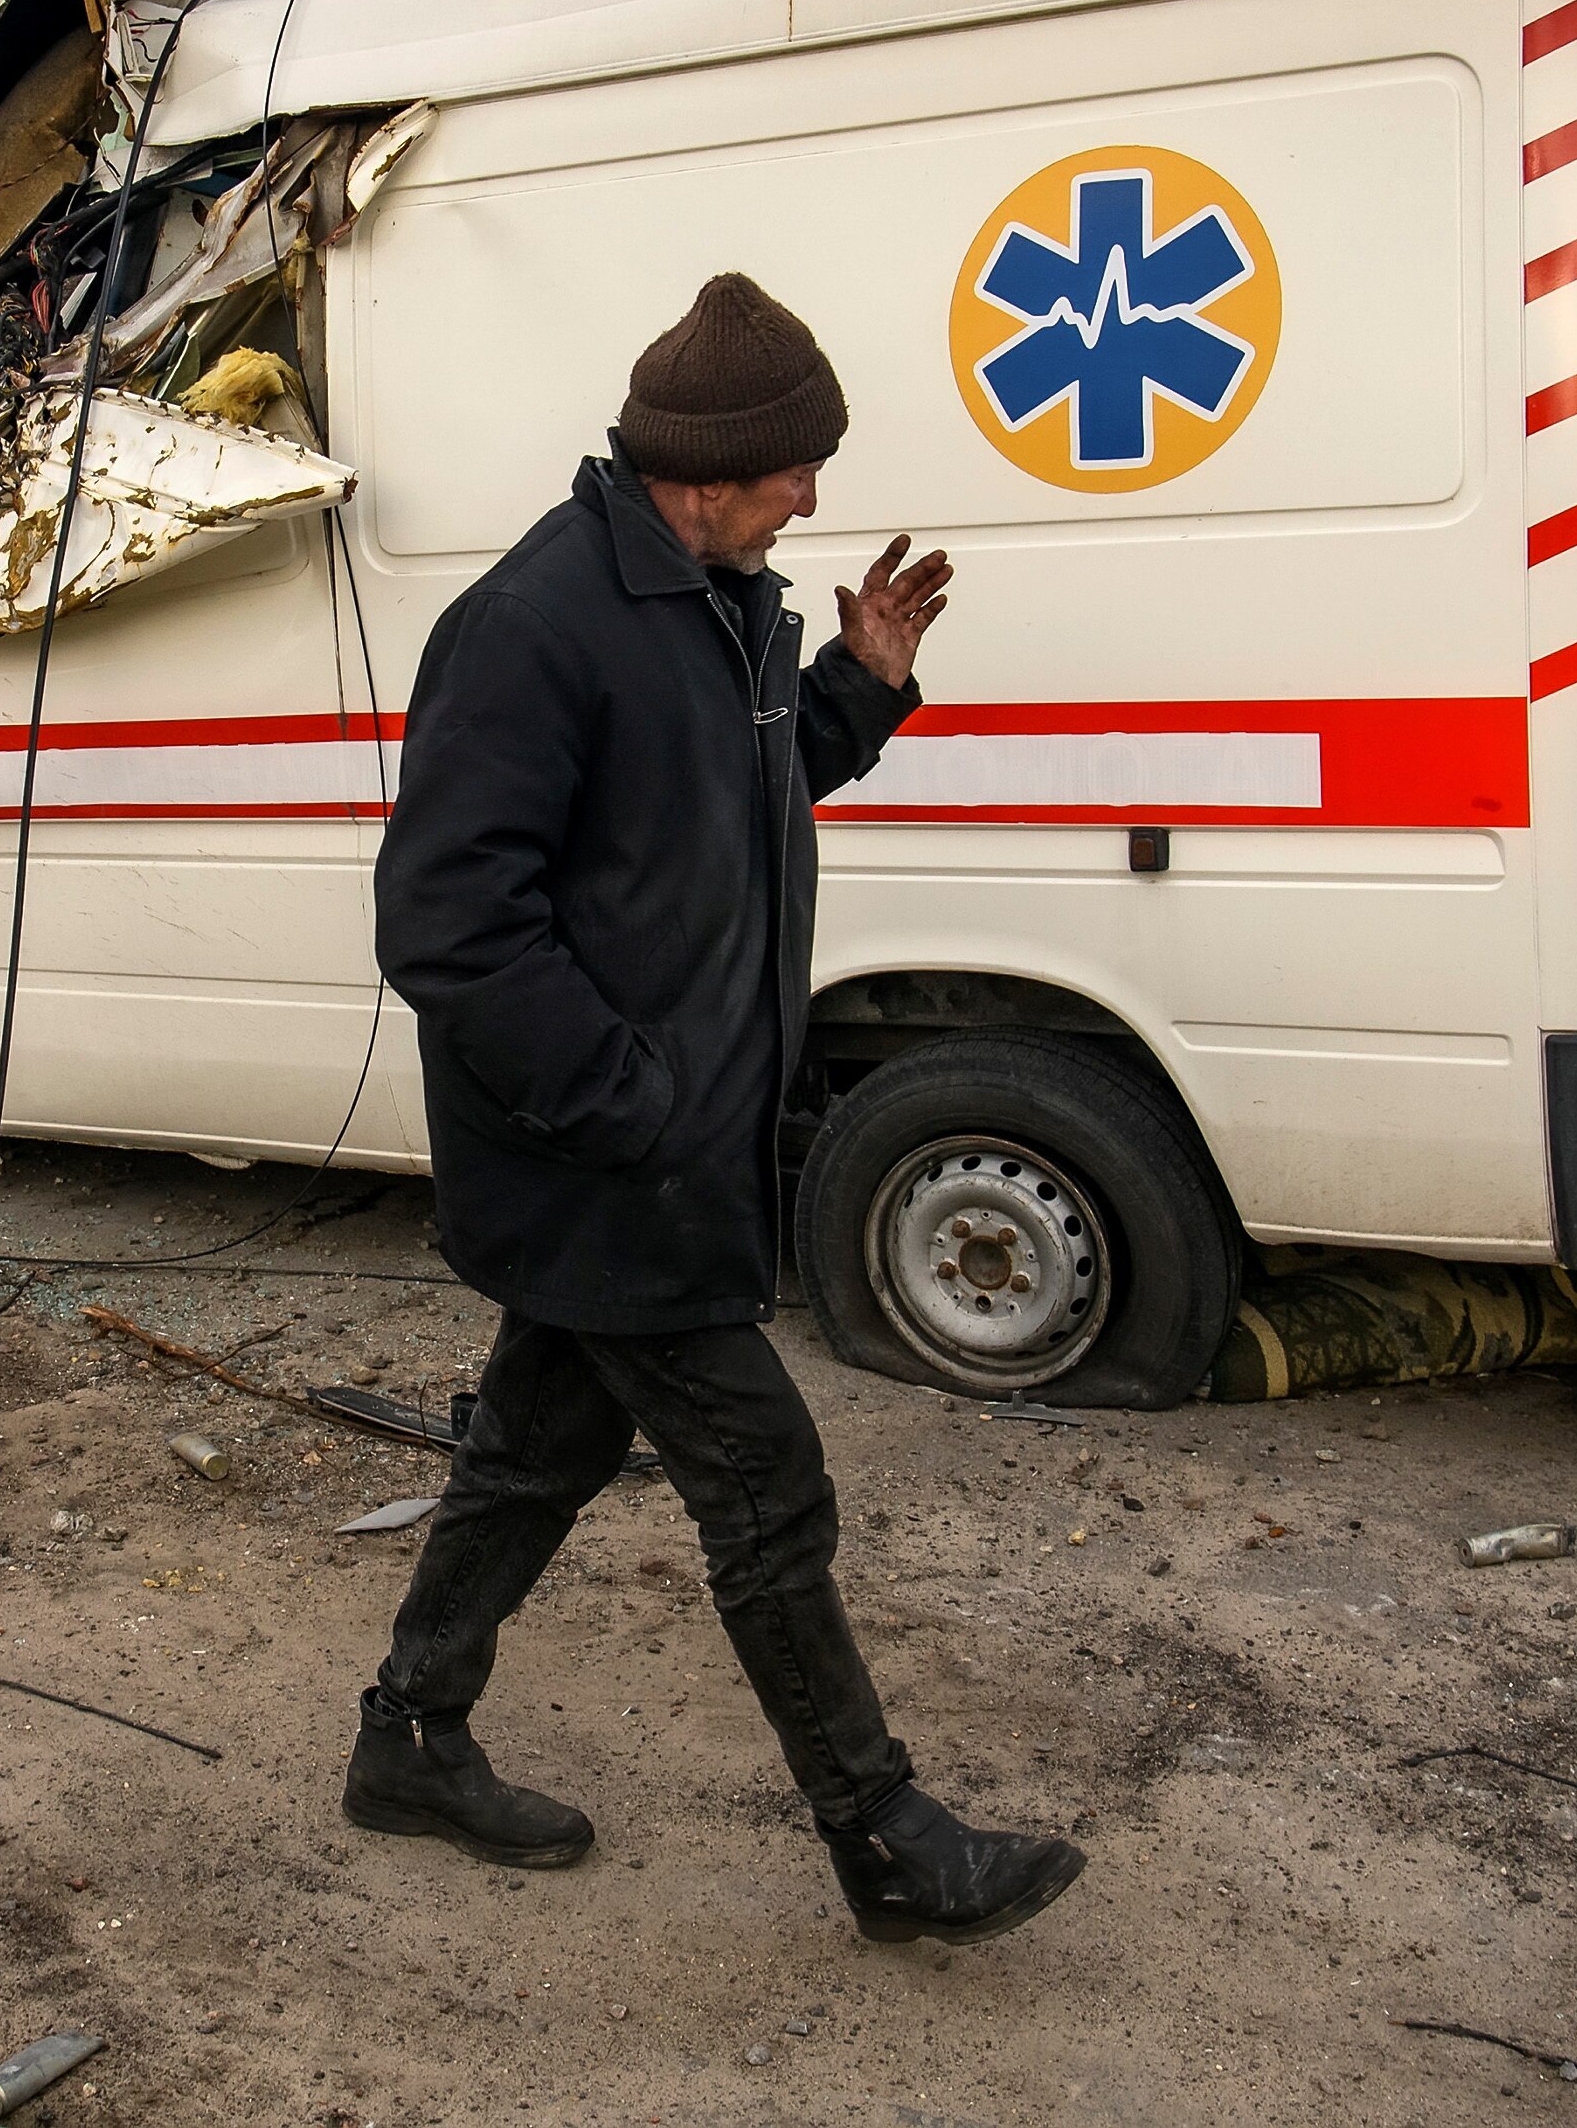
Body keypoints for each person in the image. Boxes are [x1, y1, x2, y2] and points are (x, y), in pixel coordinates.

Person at [344, 271, 1086, 1947]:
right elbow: (450, 922)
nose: (815, 497)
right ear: (706, 468)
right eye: (794, 468)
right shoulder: (536, 627)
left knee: (535, 1454)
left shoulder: (714, 600)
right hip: (608, 1161)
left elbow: (716, 811)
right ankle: (882, 1836)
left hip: (662, 1146)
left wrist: (859, 690)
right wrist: (630, 1100)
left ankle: (406, 1740)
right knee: (765, 1479)